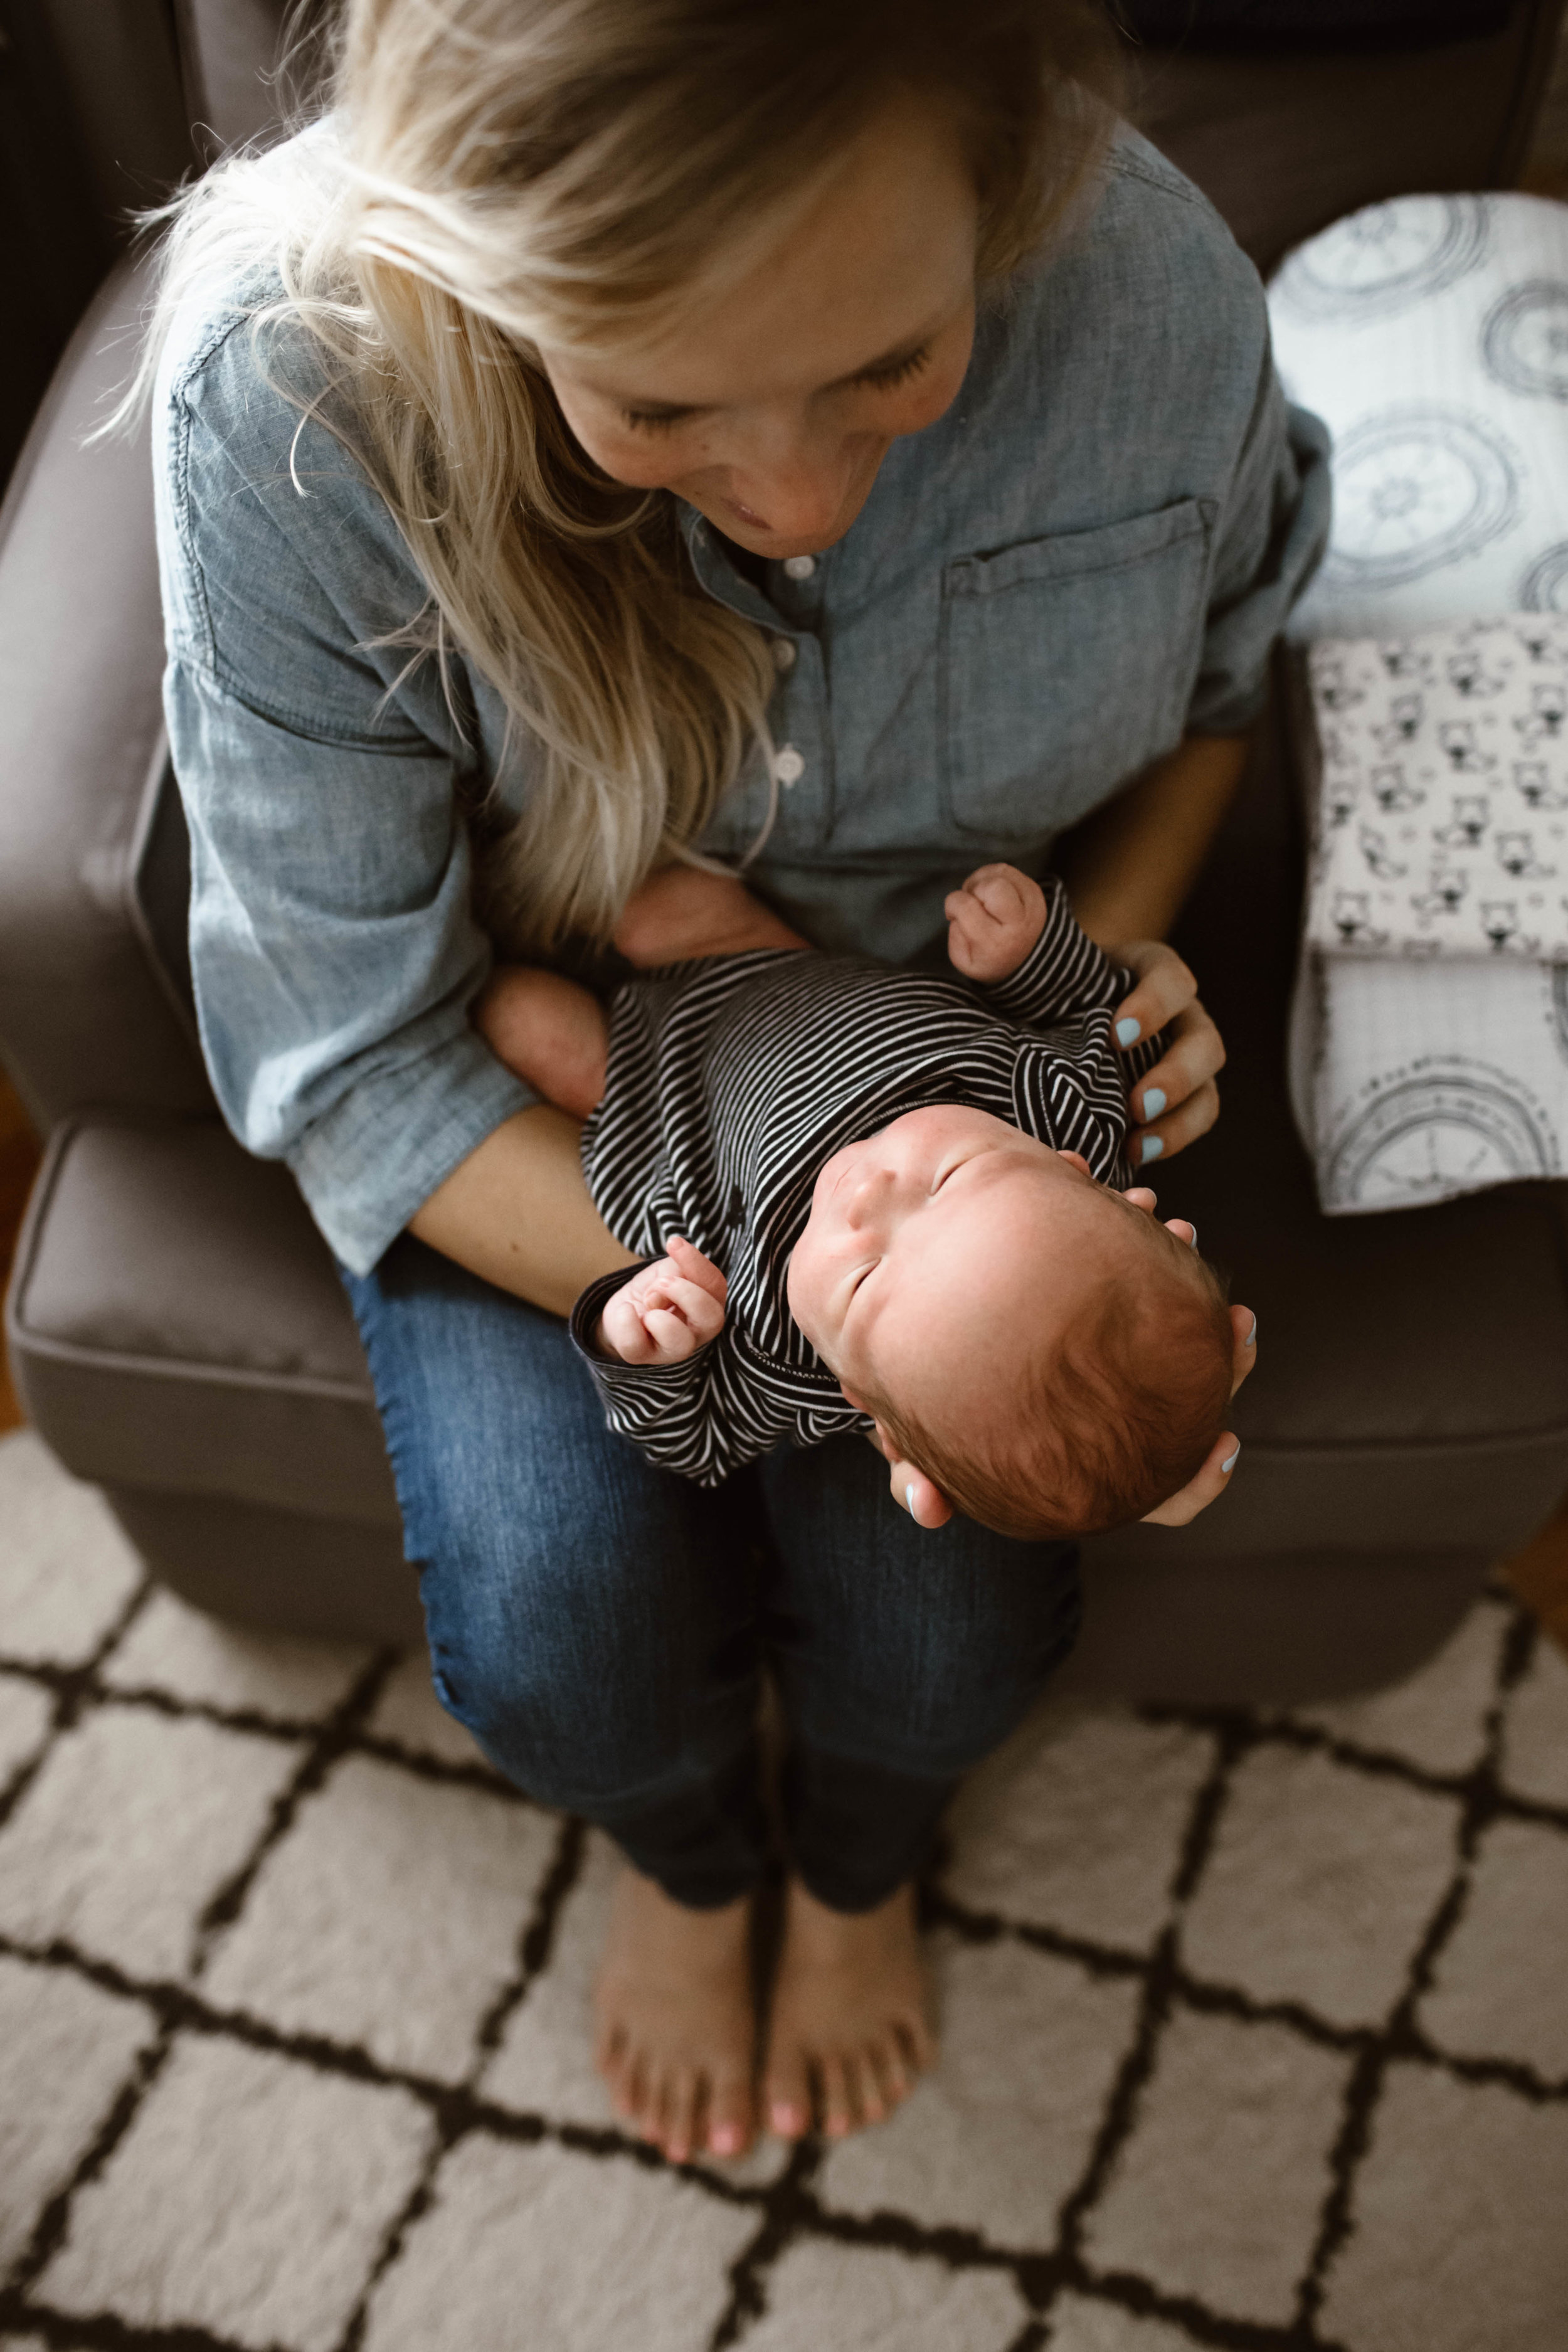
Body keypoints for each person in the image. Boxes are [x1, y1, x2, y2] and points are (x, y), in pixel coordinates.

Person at [137, 0, 1327, 2164]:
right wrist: (777, 1300)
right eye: (658, 401)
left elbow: (1223, 697)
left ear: (1011, 174)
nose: (791, 495)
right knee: (554, 1629)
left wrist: (1116, 955)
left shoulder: (1147, 293)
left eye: (890, 367)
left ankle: (860, 1861)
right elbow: (362, 1043)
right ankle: (688, 1859)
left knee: (954, 1619)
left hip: (940, 1089)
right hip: (564, 1103)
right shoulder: (296, 396)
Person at [478, 859, 1236, 1535]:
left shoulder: (784, 1364)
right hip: (756, 953)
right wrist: (1033, 953)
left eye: (864, 1275)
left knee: (517, 1016)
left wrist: (641, 1342)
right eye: (947, 1181)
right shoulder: (1062, 1109)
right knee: (648, 889)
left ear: (866, 1404)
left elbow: (693, 1441)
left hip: (649, 1101)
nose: (867, 1195)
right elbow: (1110, 1029)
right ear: (1078, 1172)